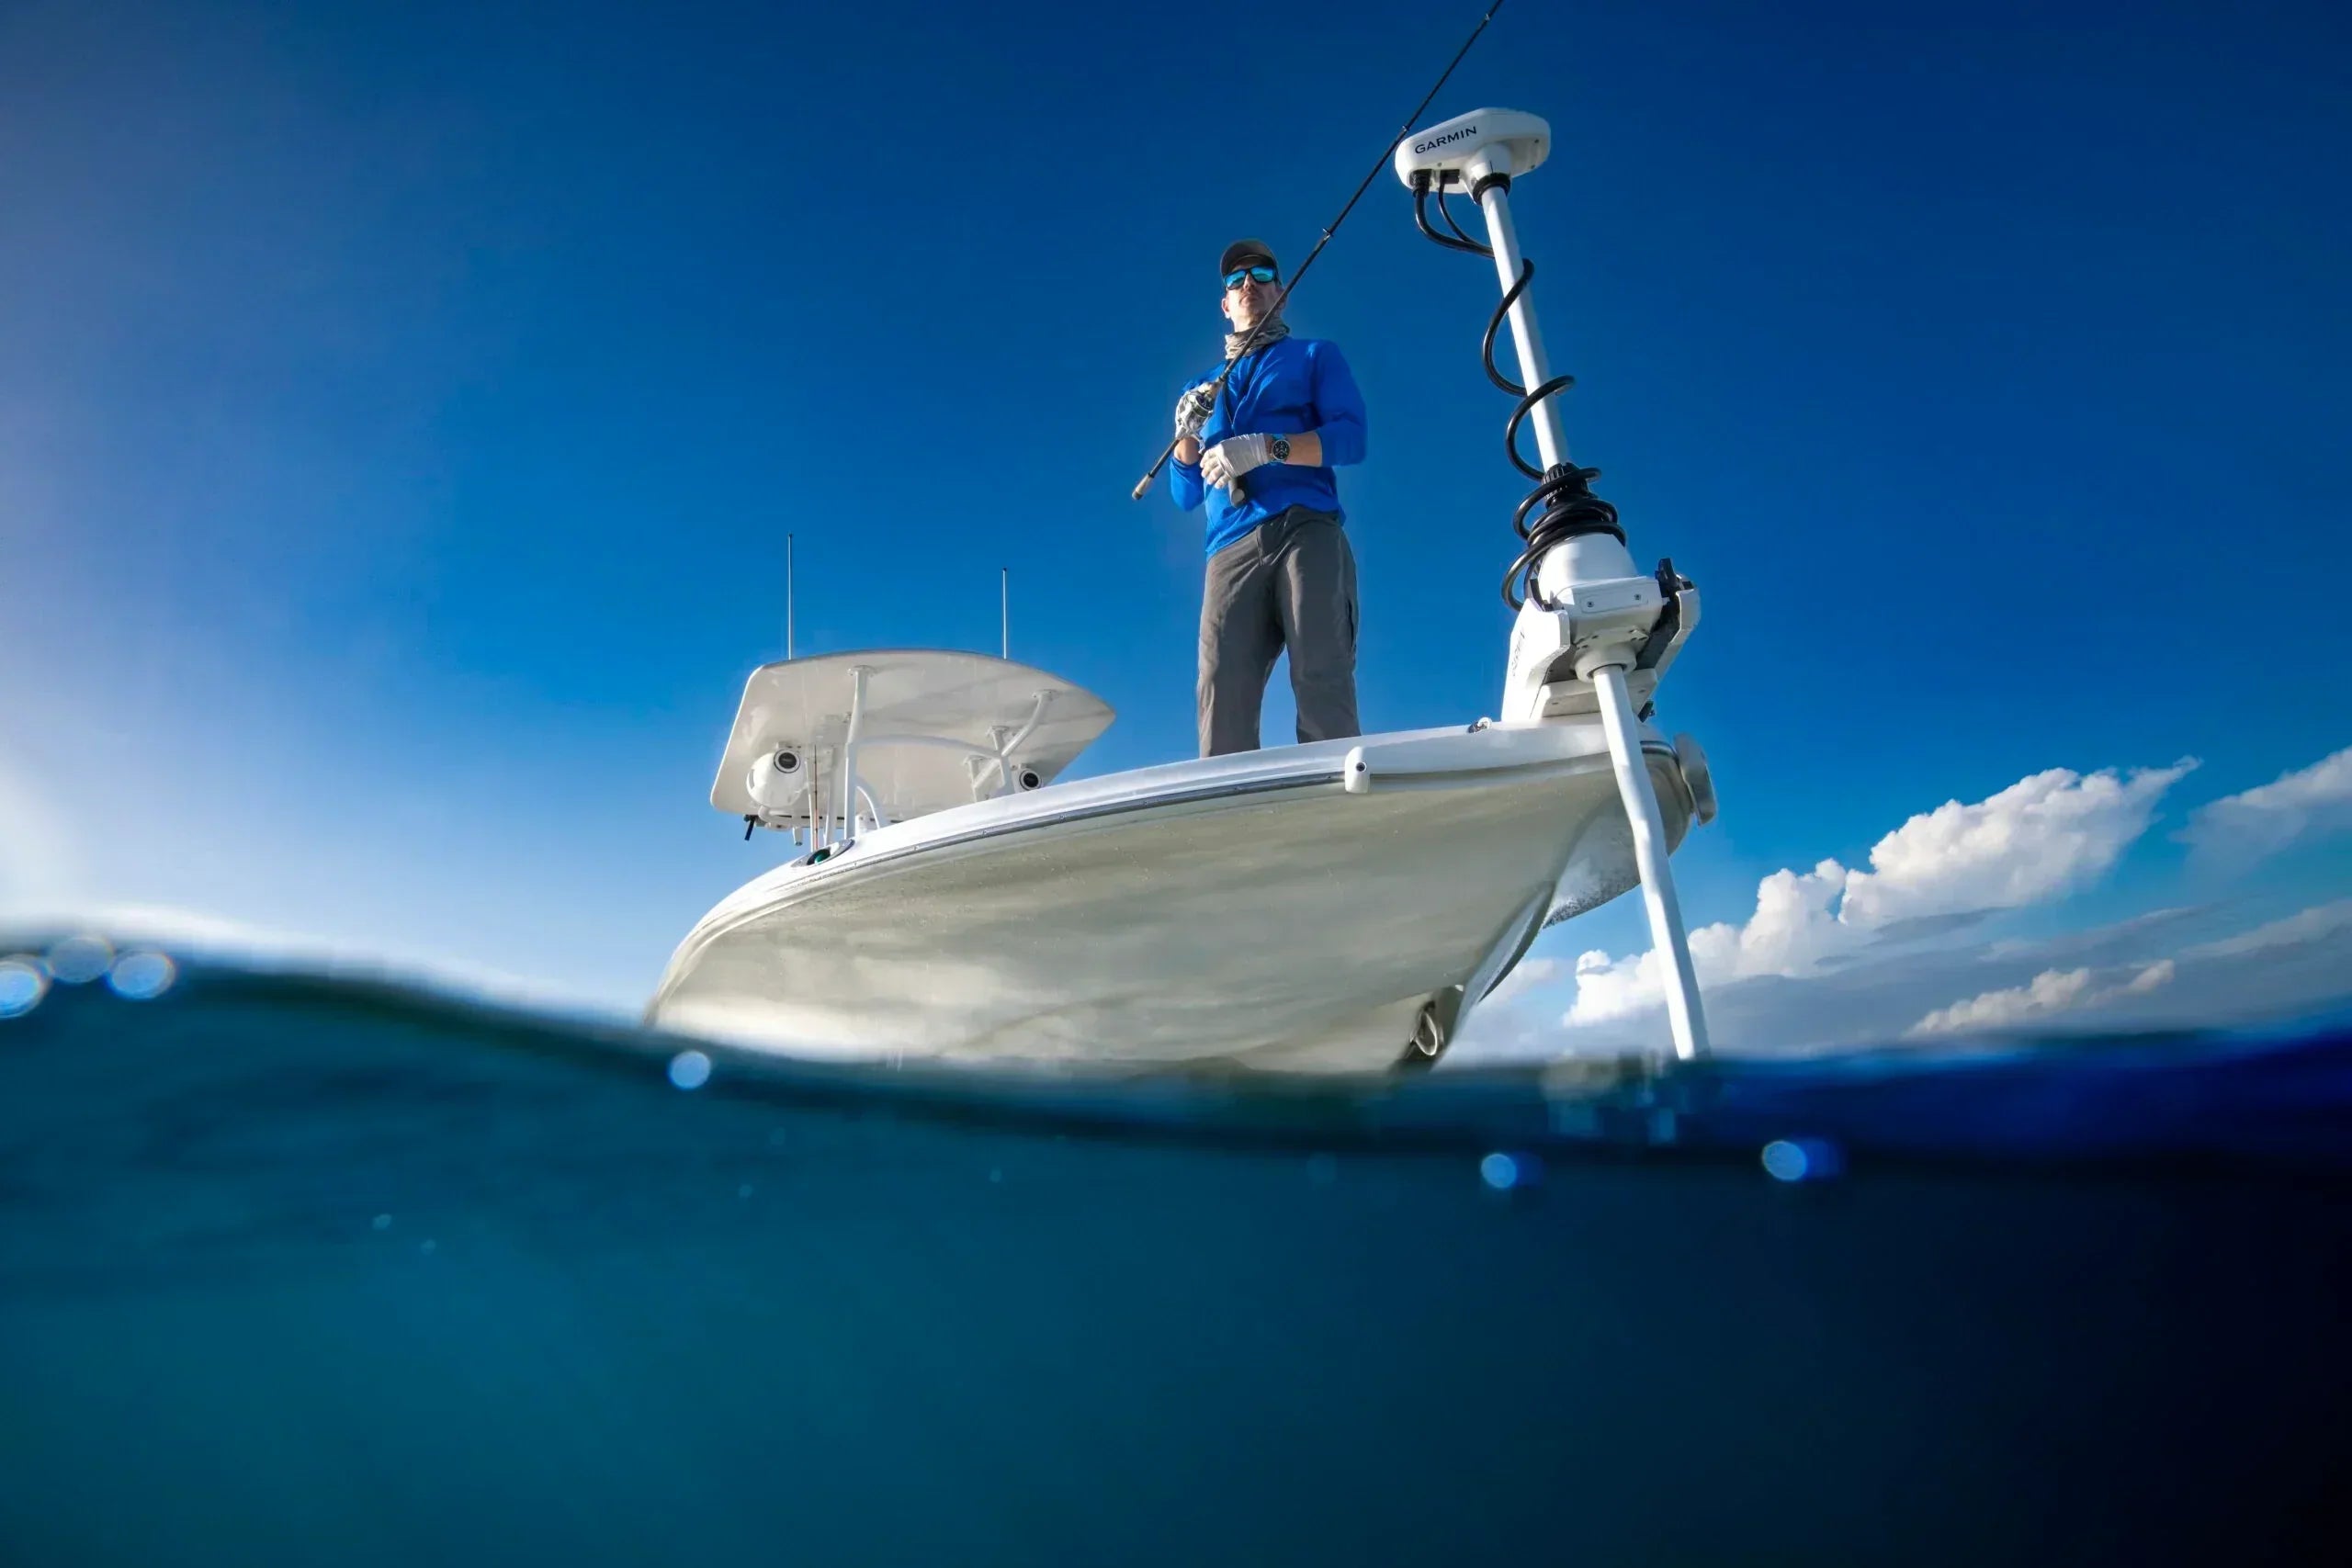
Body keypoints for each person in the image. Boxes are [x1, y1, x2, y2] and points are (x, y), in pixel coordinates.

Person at [1170, 239, 1369, 757]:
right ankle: (1228, 814)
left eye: (1261, 274)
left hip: (1306, 526)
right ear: (1225, 304)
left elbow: (1350, 439)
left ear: (1280, 293)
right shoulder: (1202, 386)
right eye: (1235, 282)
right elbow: (1184, 494)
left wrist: (1268, 447)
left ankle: (1334, 800)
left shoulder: (1313, 356)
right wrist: (1185, 437)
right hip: (1229, 549)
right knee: (1219, 688)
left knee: (1320, 667)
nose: (1248, 285)